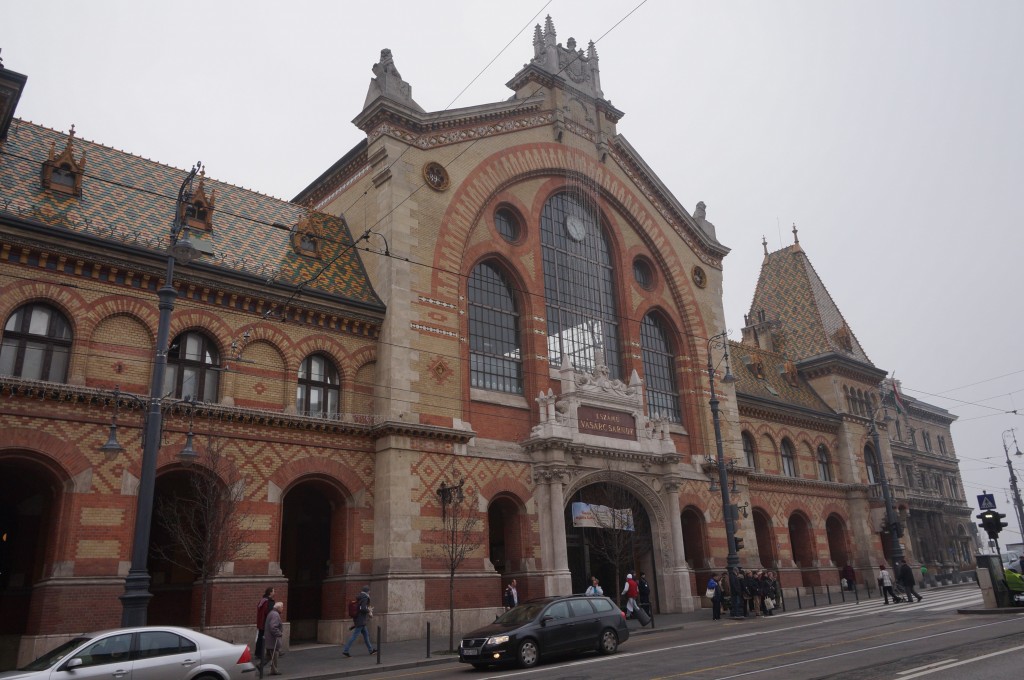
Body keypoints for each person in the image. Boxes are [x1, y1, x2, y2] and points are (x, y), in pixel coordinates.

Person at [343, 585, 376, 657]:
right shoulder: (365, 597)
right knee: (354, 636)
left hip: (359, 619)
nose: (370, 592)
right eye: (369, 591)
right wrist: (369, 611)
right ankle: (345, 650)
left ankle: (371, 650)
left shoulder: (360, 596)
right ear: (367, 591)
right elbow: (363, 608)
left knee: (366, 635)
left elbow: (360, 608)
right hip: (361, 620)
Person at [255, 587, 275, 676]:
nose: (274, 592)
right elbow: (269, 613)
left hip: (261, 623)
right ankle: (269, 653)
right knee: (267, 638)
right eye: (273, 591)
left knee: (260, 637)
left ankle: (258, 652)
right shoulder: (268, 601)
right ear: (270, 592)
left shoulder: (262, 600)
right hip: (265, 623)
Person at [263, 601, 284, 677]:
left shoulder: (272, 613)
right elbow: (273, 627)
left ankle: (260, 665)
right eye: (282, 607)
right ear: (278, 608)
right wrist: (279, 633)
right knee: (275, 654)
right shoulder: (275, 614)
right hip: (273, 639)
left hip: (269, 638)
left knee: (269, 655)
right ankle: (274, 670)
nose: (282, 609)